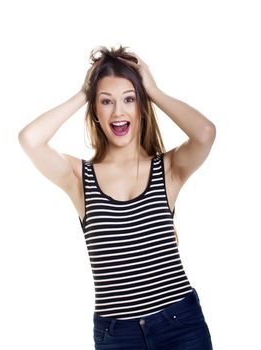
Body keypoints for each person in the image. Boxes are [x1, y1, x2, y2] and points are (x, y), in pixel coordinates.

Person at [18, 44, 216, 349]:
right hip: (117, 337)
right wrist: (85, 92)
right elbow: (30, 139)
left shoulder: (168, 169)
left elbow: (204, 132)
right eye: (106, 101)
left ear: (141, 107)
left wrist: (153, 89)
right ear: (95, 111)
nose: (118, 111)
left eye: (129, 99)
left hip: (179, 326)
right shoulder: (79, 177)